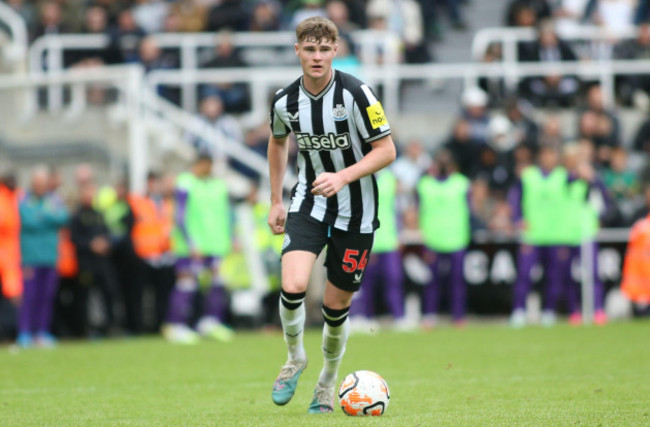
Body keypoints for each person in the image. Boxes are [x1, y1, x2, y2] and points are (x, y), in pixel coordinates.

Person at [267, 17, 396, 413]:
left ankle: (326, 381)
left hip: (357, 212)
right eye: (310, 49)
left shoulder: (358, 94)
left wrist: (343, 176)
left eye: (324, 49)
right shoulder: (284, 101)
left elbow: (387, 150)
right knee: (293, 285)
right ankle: (294, 359)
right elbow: (277, 142)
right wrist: (275, 200)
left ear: (335, 50)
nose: (317, 56)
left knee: (336, 306)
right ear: (297, 51)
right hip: (309, 202)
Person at [163, 154, 234, 344]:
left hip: (216, 244)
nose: (207, 169)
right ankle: (175, 325)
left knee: (217, 282)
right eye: (205, 165)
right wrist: (191, 242)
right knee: (187, 283)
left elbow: (226, 213)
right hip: (191, 246)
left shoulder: (218, 185)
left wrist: (230, 238)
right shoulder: (185, 183)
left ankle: (210, 321)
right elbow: (180, 215)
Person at [509, 145, 573, 327]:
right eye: (546, 154)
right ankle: (519, 311)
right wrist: (518, 218)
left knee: (554, 276)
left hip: (556, 234)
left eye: (552, 154)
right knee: (524, 274)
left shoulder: (564, 176)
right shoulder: (528, 176)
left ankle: (549, 311)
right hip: (532, 234)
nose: (549, 159)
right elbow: (515, 198)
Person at [416, 150, 471, 328]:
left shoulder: (462, 183)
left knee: (457, 281)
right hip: (432, 240)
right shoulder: (425, 184)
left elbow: (470, 209)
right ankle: (429, 315)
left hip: (457, 239)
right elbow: (417, 210)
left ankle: (458, 316)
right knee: (431, 281)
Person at [349, 168, 407, 332]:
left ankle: (399, 317)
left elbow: (397, 210)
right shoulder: (359, 176)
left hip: (389, 240)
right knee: (365, 282)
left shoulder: (390, 178)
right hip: (367, 238)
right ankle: (364, 317)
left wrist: (399, 234)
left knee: (393, 279)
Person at [17, 166, 69, 347]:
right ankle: (25, 332)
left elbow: (63, 217)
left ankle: (42, 331)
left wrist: (43, 217)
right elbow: (27, 220)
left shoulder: (52, 200)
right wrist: (48, 218)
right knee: (29, 296)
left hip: (50, 256)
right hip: (30, 257)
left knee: (46, 297)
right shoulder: (24, 200)